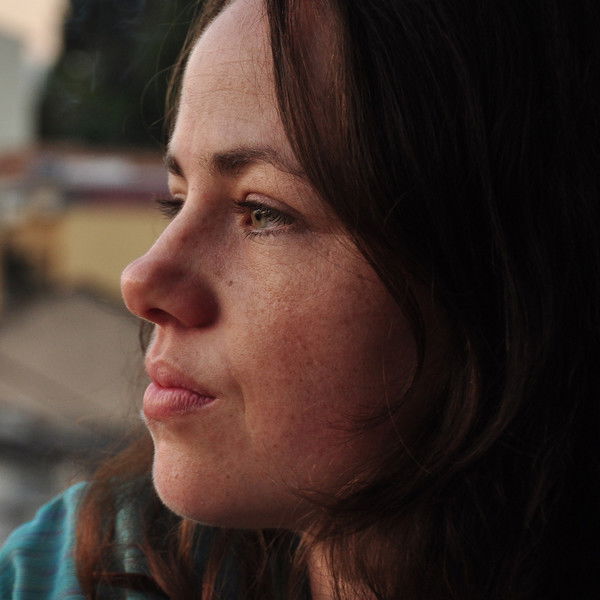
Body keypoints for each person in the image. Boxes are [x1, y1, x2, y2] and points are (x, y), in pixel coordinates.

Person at [1, 0, 598, 598]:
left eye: (263, 212)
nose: (141, 281)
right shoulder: (72, 569)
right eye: (175, 201)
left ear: (505, 280)